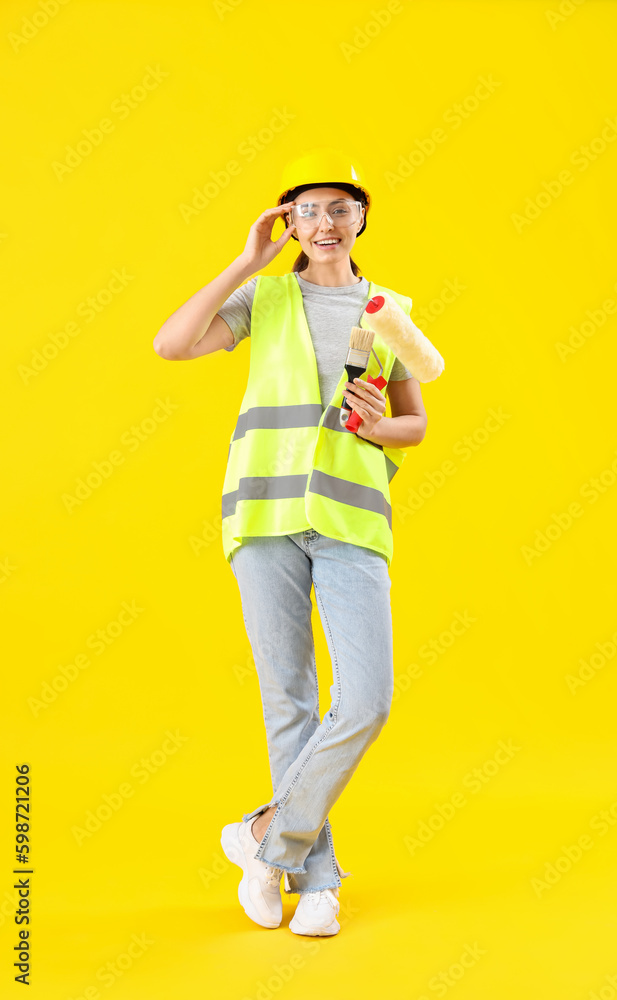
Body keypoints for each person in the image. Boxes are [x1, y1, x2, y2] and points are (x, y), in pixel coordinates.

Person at [153, 148, 428, 937]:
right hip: (264, 513)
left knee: (365, 699)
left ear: (361, 217)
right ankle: (316, 884)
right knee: (289, 699)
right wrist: (244, 262)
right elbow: (171, 346)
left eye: (339, 208)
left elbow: (415, 422)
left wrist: (382, 426)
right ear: (288, 223)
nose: (324, 223)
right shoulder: (264, 297)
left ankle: (265, 840)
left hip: (350, 519)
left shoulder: (389, 310)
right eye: (306, 210)